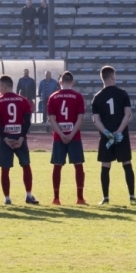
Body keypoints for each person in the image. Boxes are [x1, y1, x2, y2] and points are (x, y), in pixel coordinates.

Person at [92, 65, 136, 205]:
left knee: (105, 165)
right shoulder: (122, 93)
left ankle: (105, 198)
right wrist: (119, 131)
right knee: (127, 164)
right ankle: (132, 196)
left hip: (106, 138)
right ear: (112, 77)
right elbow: (127, 114)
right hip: (121, 136)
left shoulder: (97, 97)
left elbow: (96, 120)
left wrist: (106, 133)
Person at [0, 75, 39, 205]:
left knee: (5, 169)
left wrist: (5, 138)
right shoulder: (23, 101)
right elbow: (27, 122)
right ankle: (29, 195)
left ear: (5, 86)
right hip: (20, 138)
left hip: (6, 138)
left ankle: (7, 198)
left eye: (0, 86)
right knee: (26, 166)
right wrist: (21, 138)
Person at [46, 70, 88, 205]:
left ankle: (56, 198)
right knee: (78, 165)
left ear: (60, 82)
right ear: (72, 82)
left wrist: (61, 133)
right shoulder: (78, 97)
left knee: (57, 166)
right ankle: (80, 198)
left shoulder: (53, 97)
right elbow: (80, 119)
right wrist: (70, 134)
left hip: (58, 137)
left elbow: (51, 120)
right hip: (74, 136)